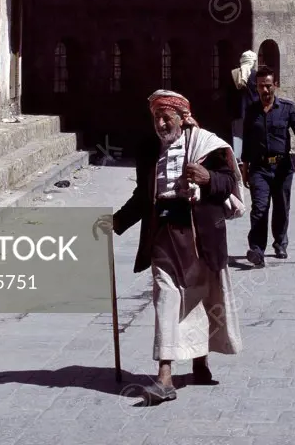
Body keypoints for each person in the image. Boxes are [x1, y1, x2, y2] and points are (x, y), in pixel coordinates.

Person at [98, 90, 243, 403]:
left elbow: (229, 182)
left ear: (182, 118)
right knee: (165, 298)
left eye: (167, 117)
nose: (161, 124)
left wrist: (207, 179)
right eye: (157, 118)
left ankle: (200, 363)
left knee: (199, 299)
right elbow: (142, 196)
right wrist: (117, 222)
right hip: (162, 235)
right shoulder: (149, 149)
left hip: (198, 234)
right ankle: (165, 376)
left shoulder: (207, 145)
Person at [241, 65, 295, 267]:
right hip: (259, 168)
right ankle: (256, 250)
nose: (265, 90)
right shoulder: (252, 111)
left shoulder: (287, 108)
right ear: (256, 87)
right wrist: (244, 170)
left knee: (281, 207)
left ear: (276, 86)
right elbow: (247, 141)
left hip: (282, 168)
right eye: (261, 86)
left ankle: (280, 242)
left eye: (269, 86)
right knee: (259, 209)